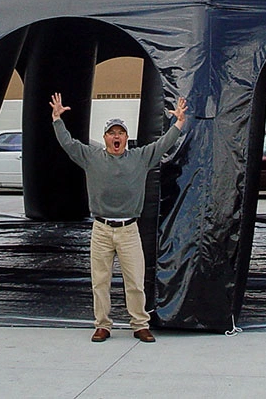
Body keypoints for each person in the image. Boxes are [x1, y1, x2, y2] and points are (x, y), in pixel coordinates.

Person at [49, 91, 188, 343]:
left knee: (135, 281)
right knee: (99, 282)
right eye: (112, 133)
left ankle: (139, 324)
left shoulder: (140, 157)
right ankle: (102, 325)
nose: (116, 136)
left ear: (126, 138)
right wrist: (57, 120)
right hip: (101, 230)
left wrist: (178, 122)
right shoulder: (91, 157)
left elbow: (163, 144)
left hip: (128, 230)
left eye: (120, 133)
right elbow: (68, 144)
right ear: (104, 138)